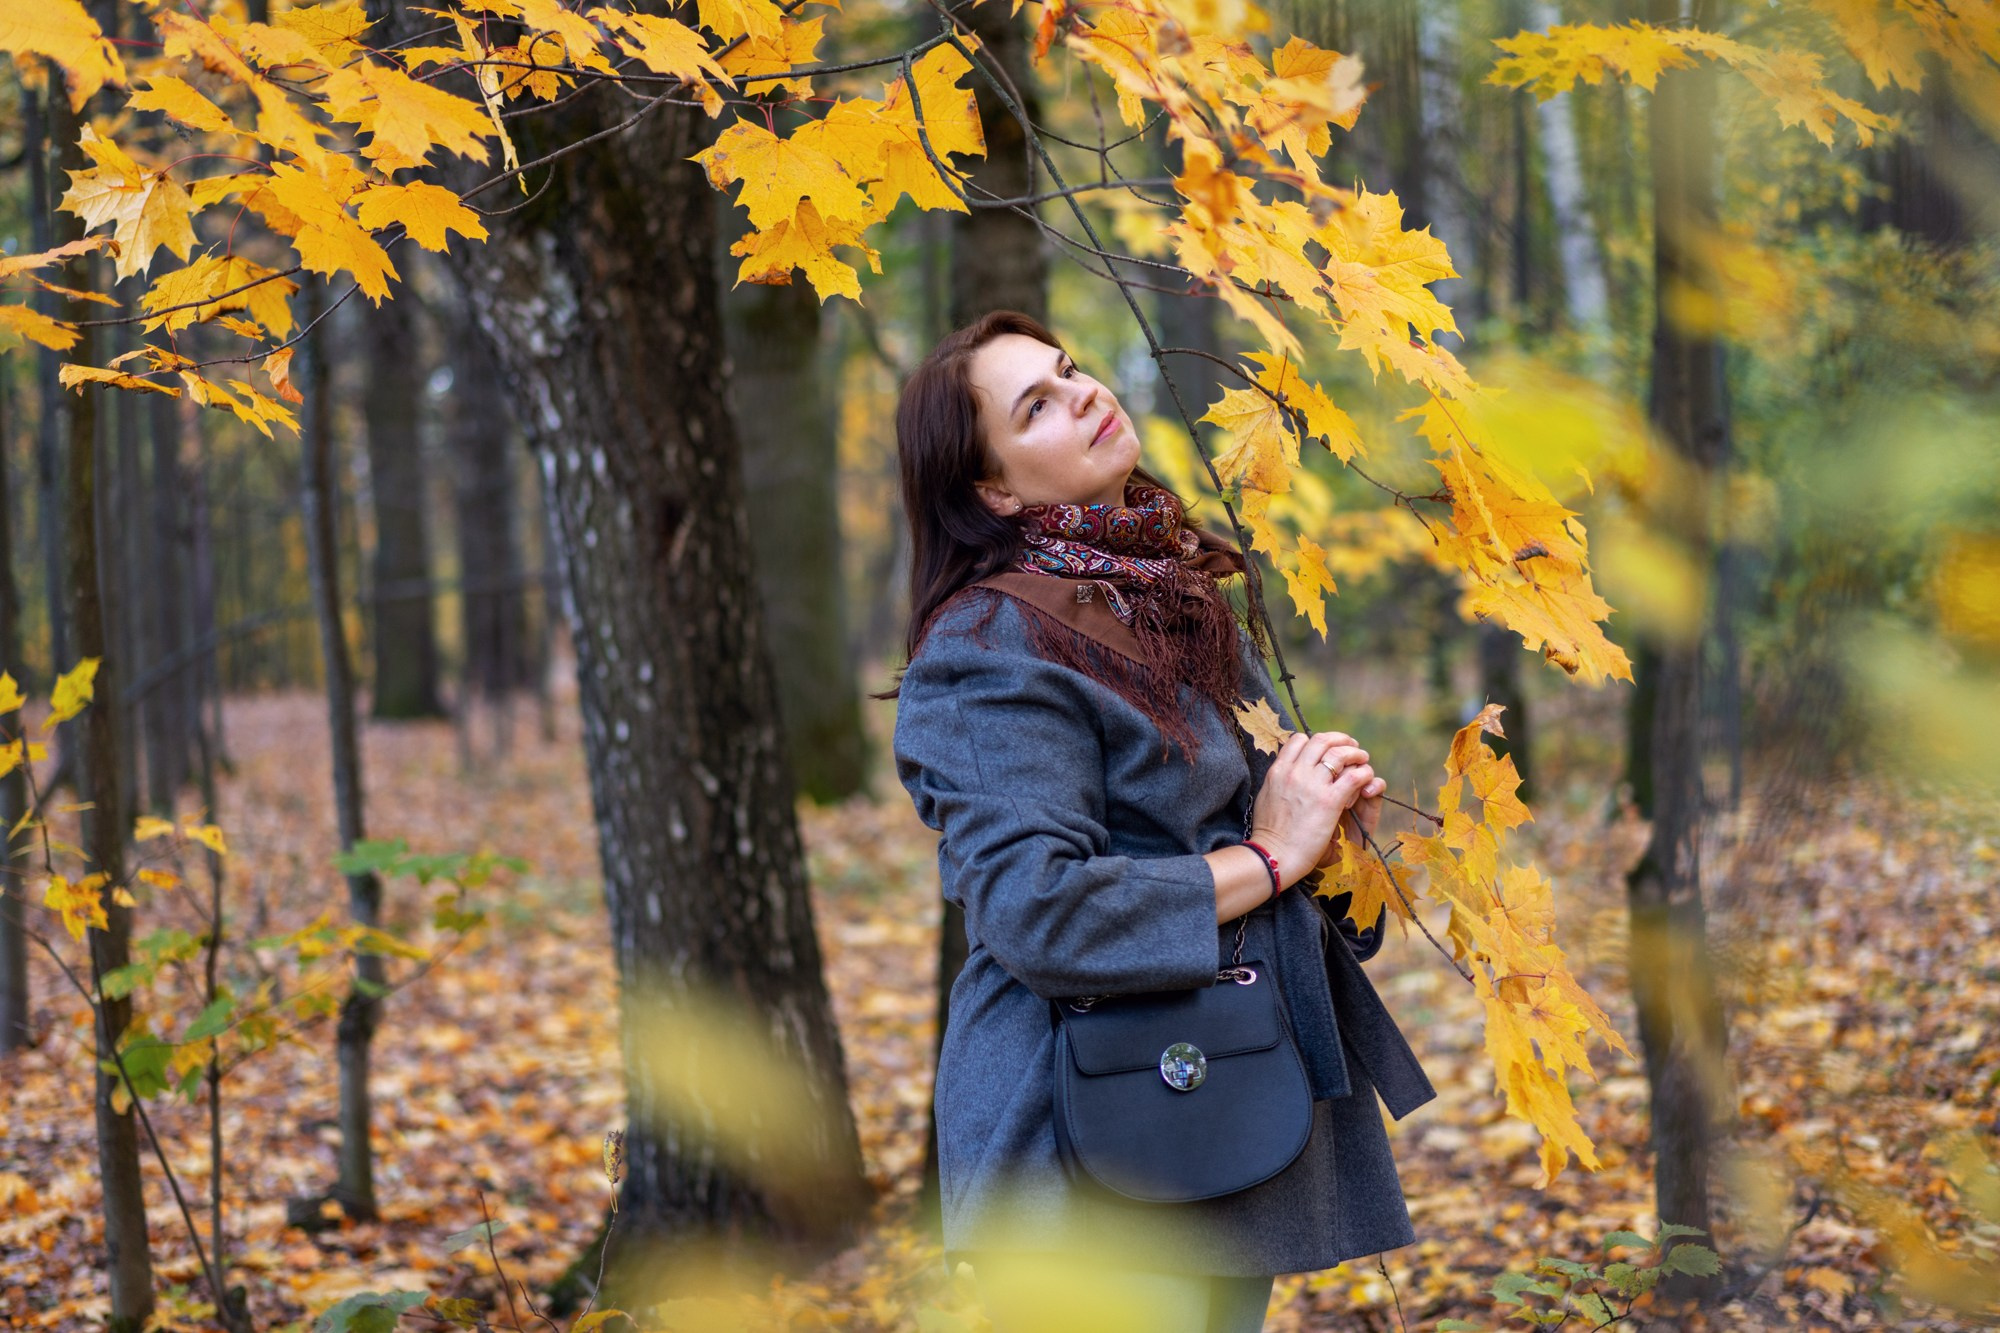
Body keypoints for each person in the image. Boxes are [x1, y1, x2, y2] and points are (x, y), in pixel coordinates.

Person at [891, 311, 1436, 1333]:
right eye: (1037, 405)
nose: (1086, 392)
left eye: (1071, 369)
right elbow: (1038, 911)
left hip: (1221, 1100)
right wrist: (1269, 852)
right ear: (994, 490)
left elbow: (1271, 841)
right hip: (1079, 1146)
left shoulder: (1170, 600)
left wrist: (1327, 823)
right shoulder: (988, 646)